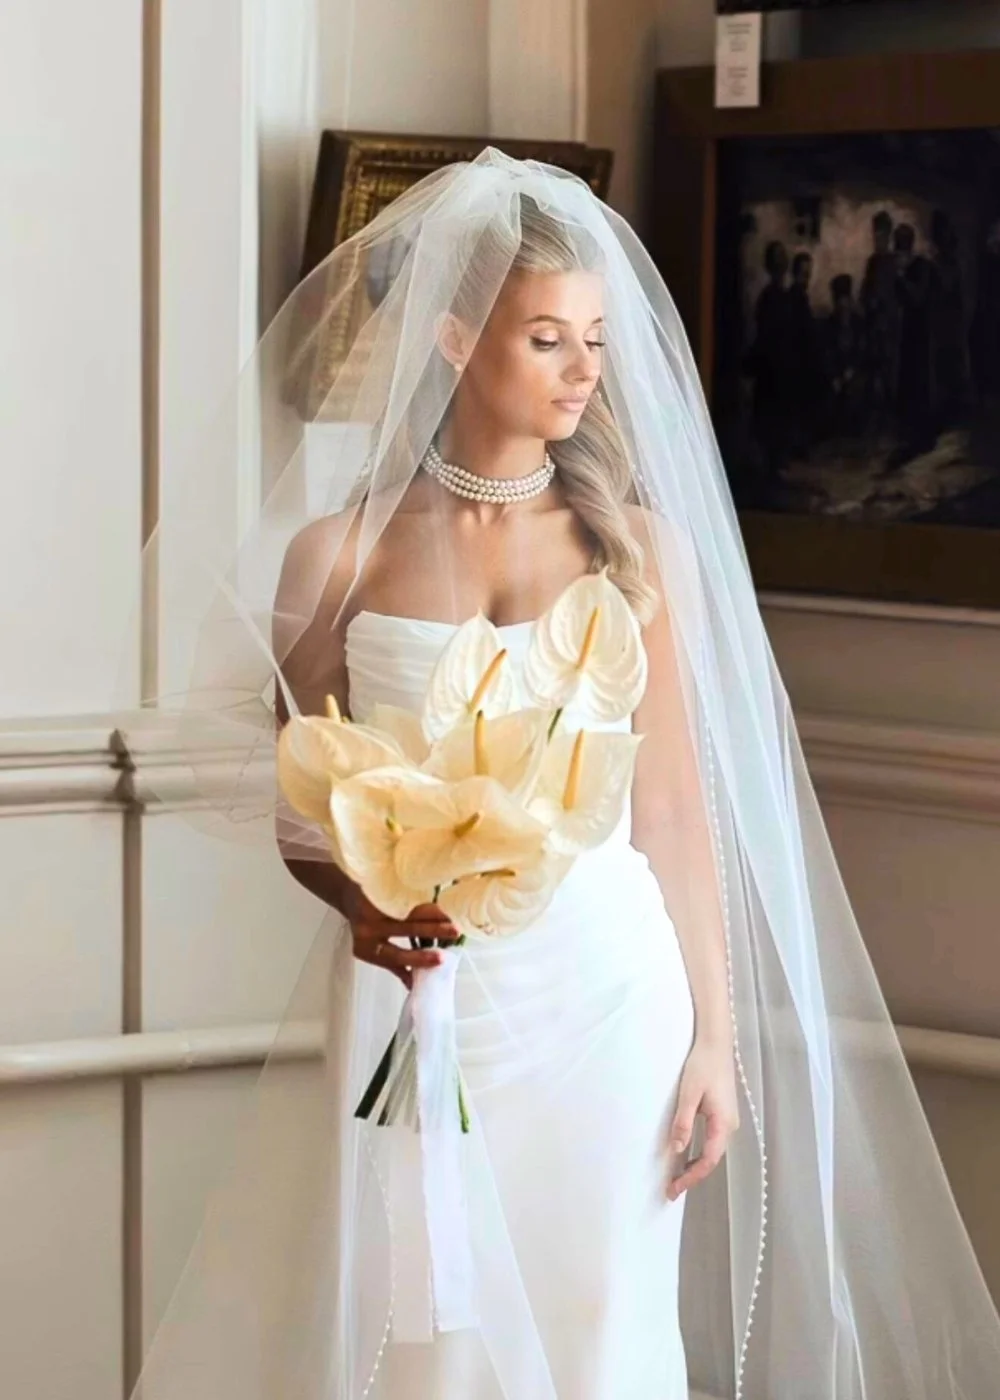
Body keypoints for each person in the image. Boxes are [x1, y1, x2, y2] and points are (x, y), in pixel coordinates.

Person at [124, 148, 1000, 1399]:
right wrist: (370, 912)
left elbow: (674, 811)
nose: (590, 368)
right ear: (453, 337)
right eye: (548, 337)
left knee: (602, 1331)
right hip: (417, 1006)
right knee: (421, 1337)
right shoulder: (337, 551)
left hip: (609, 997)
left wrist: (715, 1042)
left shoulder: (637, 548)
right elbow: (302, 806)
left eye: (595, 337)